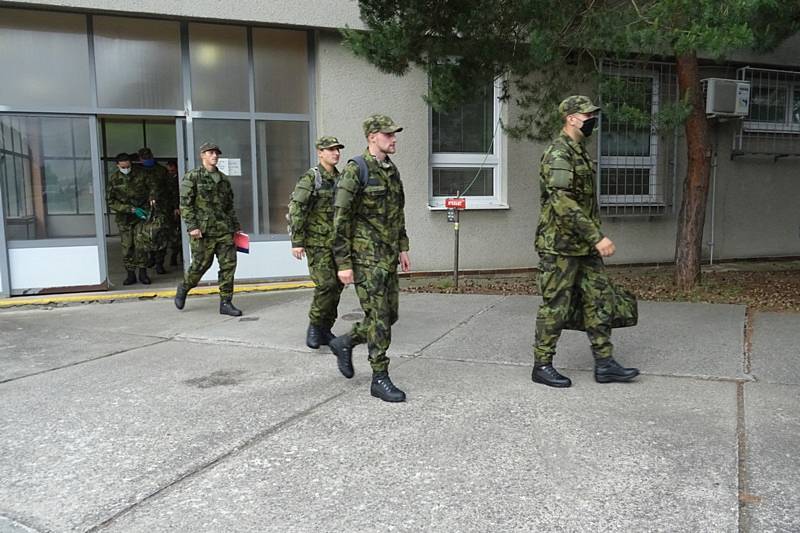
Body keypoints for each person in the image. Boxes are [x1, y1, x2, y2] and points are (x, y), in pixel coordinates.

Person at [532, 95, 640, 388]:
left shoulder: (579, 152)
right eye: (587, 115)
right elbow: (561, 201)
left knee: (599, 299)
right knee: (556, 305)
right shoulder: (558, 153)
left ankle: (605, 363)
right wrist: (597, 237)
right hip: (560, 246)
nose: (592, 119)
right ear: (571, 118)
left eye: (593, 114)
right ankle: (542, 365)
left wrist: (592, 240)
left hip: (584, 246)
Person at [328, 115, 411, 403]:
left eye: (394, 134)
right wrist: (344, 263)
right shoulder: (355, 170)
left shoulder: (391, 170)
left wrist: (402, 247)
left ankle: (345, 341)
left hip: (387, 256)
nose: (394, 139)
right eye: (388, 134)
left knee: (391, 316)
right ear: (372, 136)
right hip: (365, 258)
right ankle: (380, 377)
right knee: (378, 319)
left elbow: (397, 212)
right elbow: (340, 220)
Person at [288, 136, 346, 350]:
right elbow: (297, 209)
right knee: (326, 284)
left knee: (338, 286)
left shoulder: (341, 179)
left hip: (338, 244)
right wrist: (297, 241)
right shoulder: (311, 178)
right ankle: (314, 325)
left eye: (337, 149)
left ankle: (324, 328)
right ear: (320, 152)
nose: (336, 153)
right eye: (331, 149)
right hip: (317, 243)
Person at [174, 142, 243, 317]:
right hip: (203, 231)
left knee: (228, 266)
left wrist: (236, 227)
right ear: (202, 155)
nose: (215, 156)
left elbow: (229, 206)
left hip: (224, 230)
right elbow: (185, 204)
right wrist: (192, 226)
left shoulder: (224, 180)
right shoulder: (193, 177)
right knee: (200, 266)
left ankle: (226, 302)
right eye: (211, 153)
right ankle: (184, 287)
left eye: (216, 154)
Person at [106, 152, 154, 285]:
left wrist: (151, 200)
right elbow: (110, 201)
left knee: (141, 245)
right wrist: (129, 209)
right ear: (117, 166)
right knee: (127, 247)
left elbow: (151, 189)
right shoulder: (113, 179)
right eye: (123, 167)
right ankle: (130, 275)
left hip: (141, 217)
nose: (126, 169)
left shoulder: (141, 174)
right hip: (124, 219)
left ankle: (143, 274)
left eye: (128, 166)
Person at [137, 147, 171, 274]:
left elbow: (170, 188)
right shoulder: (138, 172)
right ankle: (150, 258)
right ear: (140, 159)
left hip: (161, 208)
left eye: (149, 157)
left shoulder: (161, 170)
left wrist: (174, 206)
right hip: (144, 209)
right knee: (146, 237)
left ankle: (159, 263)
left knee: (161, 236)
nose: (147, 160)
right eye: (144, 158)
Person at [165, 160, 183, 266]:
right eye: (169, 170)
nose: (170, 172)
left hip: (179, 208)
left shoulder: (180, 178)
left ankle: (180, 255)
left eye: (172, 170)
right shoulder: (167, 178)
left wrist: (177, 207)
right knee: (174, 235)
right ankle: (174, 256)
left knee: (180, 234)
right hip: (170, 209)